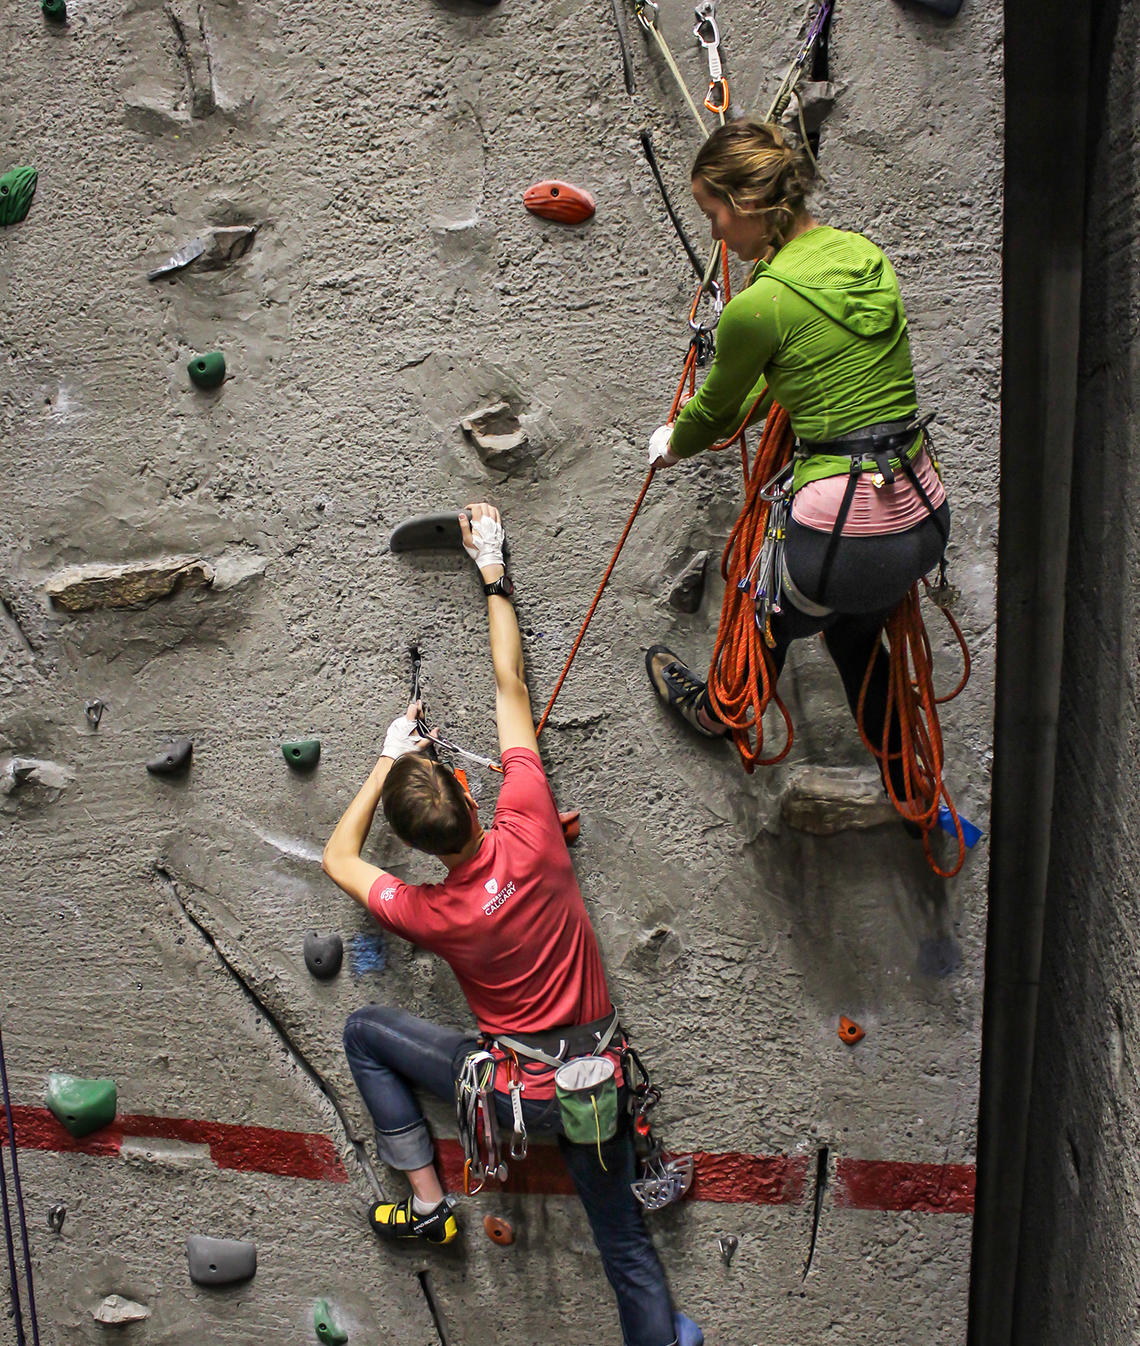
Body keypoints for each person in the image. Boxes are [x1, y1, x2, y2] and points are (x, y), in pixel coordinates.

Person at [321, 503, 702, 1346]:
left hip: (511, 1103)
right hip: (595, 1095)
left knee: (364, 1031)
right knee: (625, 1248)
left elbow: (340, 861)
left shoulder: (434, 912)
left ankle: (428, 1204)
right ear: (469, 786)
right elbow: (510, 688)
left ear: (420, 849)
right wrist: (492, 568)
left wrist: (387, 754)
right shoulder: (529, 821)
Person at [644, 119, 950, 797]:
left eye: (715, 213)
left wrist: (673, 441)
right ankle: (913, 790)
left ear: (751, 205)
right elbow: (800, 369)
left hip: (842, 530)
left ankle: (727, 708)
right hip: (922, 515)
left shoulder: (759, 307)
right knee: (853, 635)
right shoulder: (865, 257)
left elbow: (719, 410)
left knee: (759, 607)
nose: (717, 233)